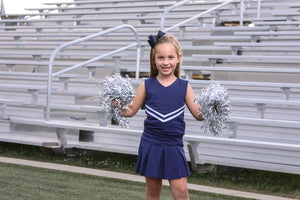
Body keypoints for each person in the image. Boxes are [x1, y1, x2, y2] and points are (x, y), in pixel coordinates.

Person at [119, 30, 203, 200]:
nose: (166, 62)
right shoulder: (146, 85)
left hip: (173, 144)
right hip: (151, 143)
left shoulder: (184, 86)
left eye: (170, 57)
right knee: (152, 191)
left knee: (181, 190)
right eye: (161, 58)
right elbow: (129, 111)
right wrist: (116, 105)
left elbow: (198, 114)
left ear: (179, 58)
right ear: (154, 59)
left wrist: (214, 109)